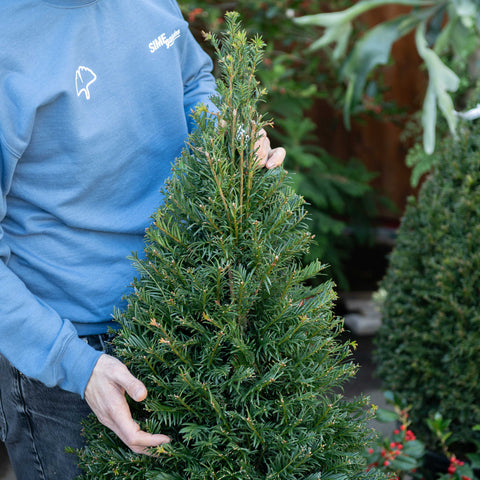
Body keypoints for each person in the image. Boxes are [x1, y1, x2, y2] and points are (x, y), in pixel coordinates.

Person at [0, 1, 286, 479]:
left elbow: (192, 80)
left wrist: (227, 131)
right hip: (72, 353)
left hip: (188, 306)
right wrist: (74, 364)